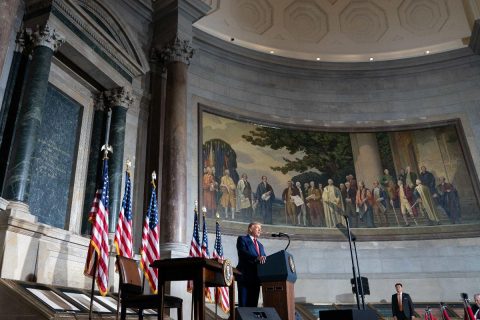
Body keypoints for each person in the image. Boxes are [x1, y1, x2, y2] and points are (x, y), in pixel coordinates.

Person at [236, 222, 267, 307]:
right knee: (244, 305)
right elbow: (242, 253)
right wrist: (256, 258)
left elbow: (264, 258)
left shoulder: (260, 245)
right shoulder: (242, 239)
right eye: (258, 228)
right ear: (250, 229)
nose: (260, 230)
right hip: (245, 276)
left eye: (260, 229)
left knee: (253, 306)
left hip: (256, 279)